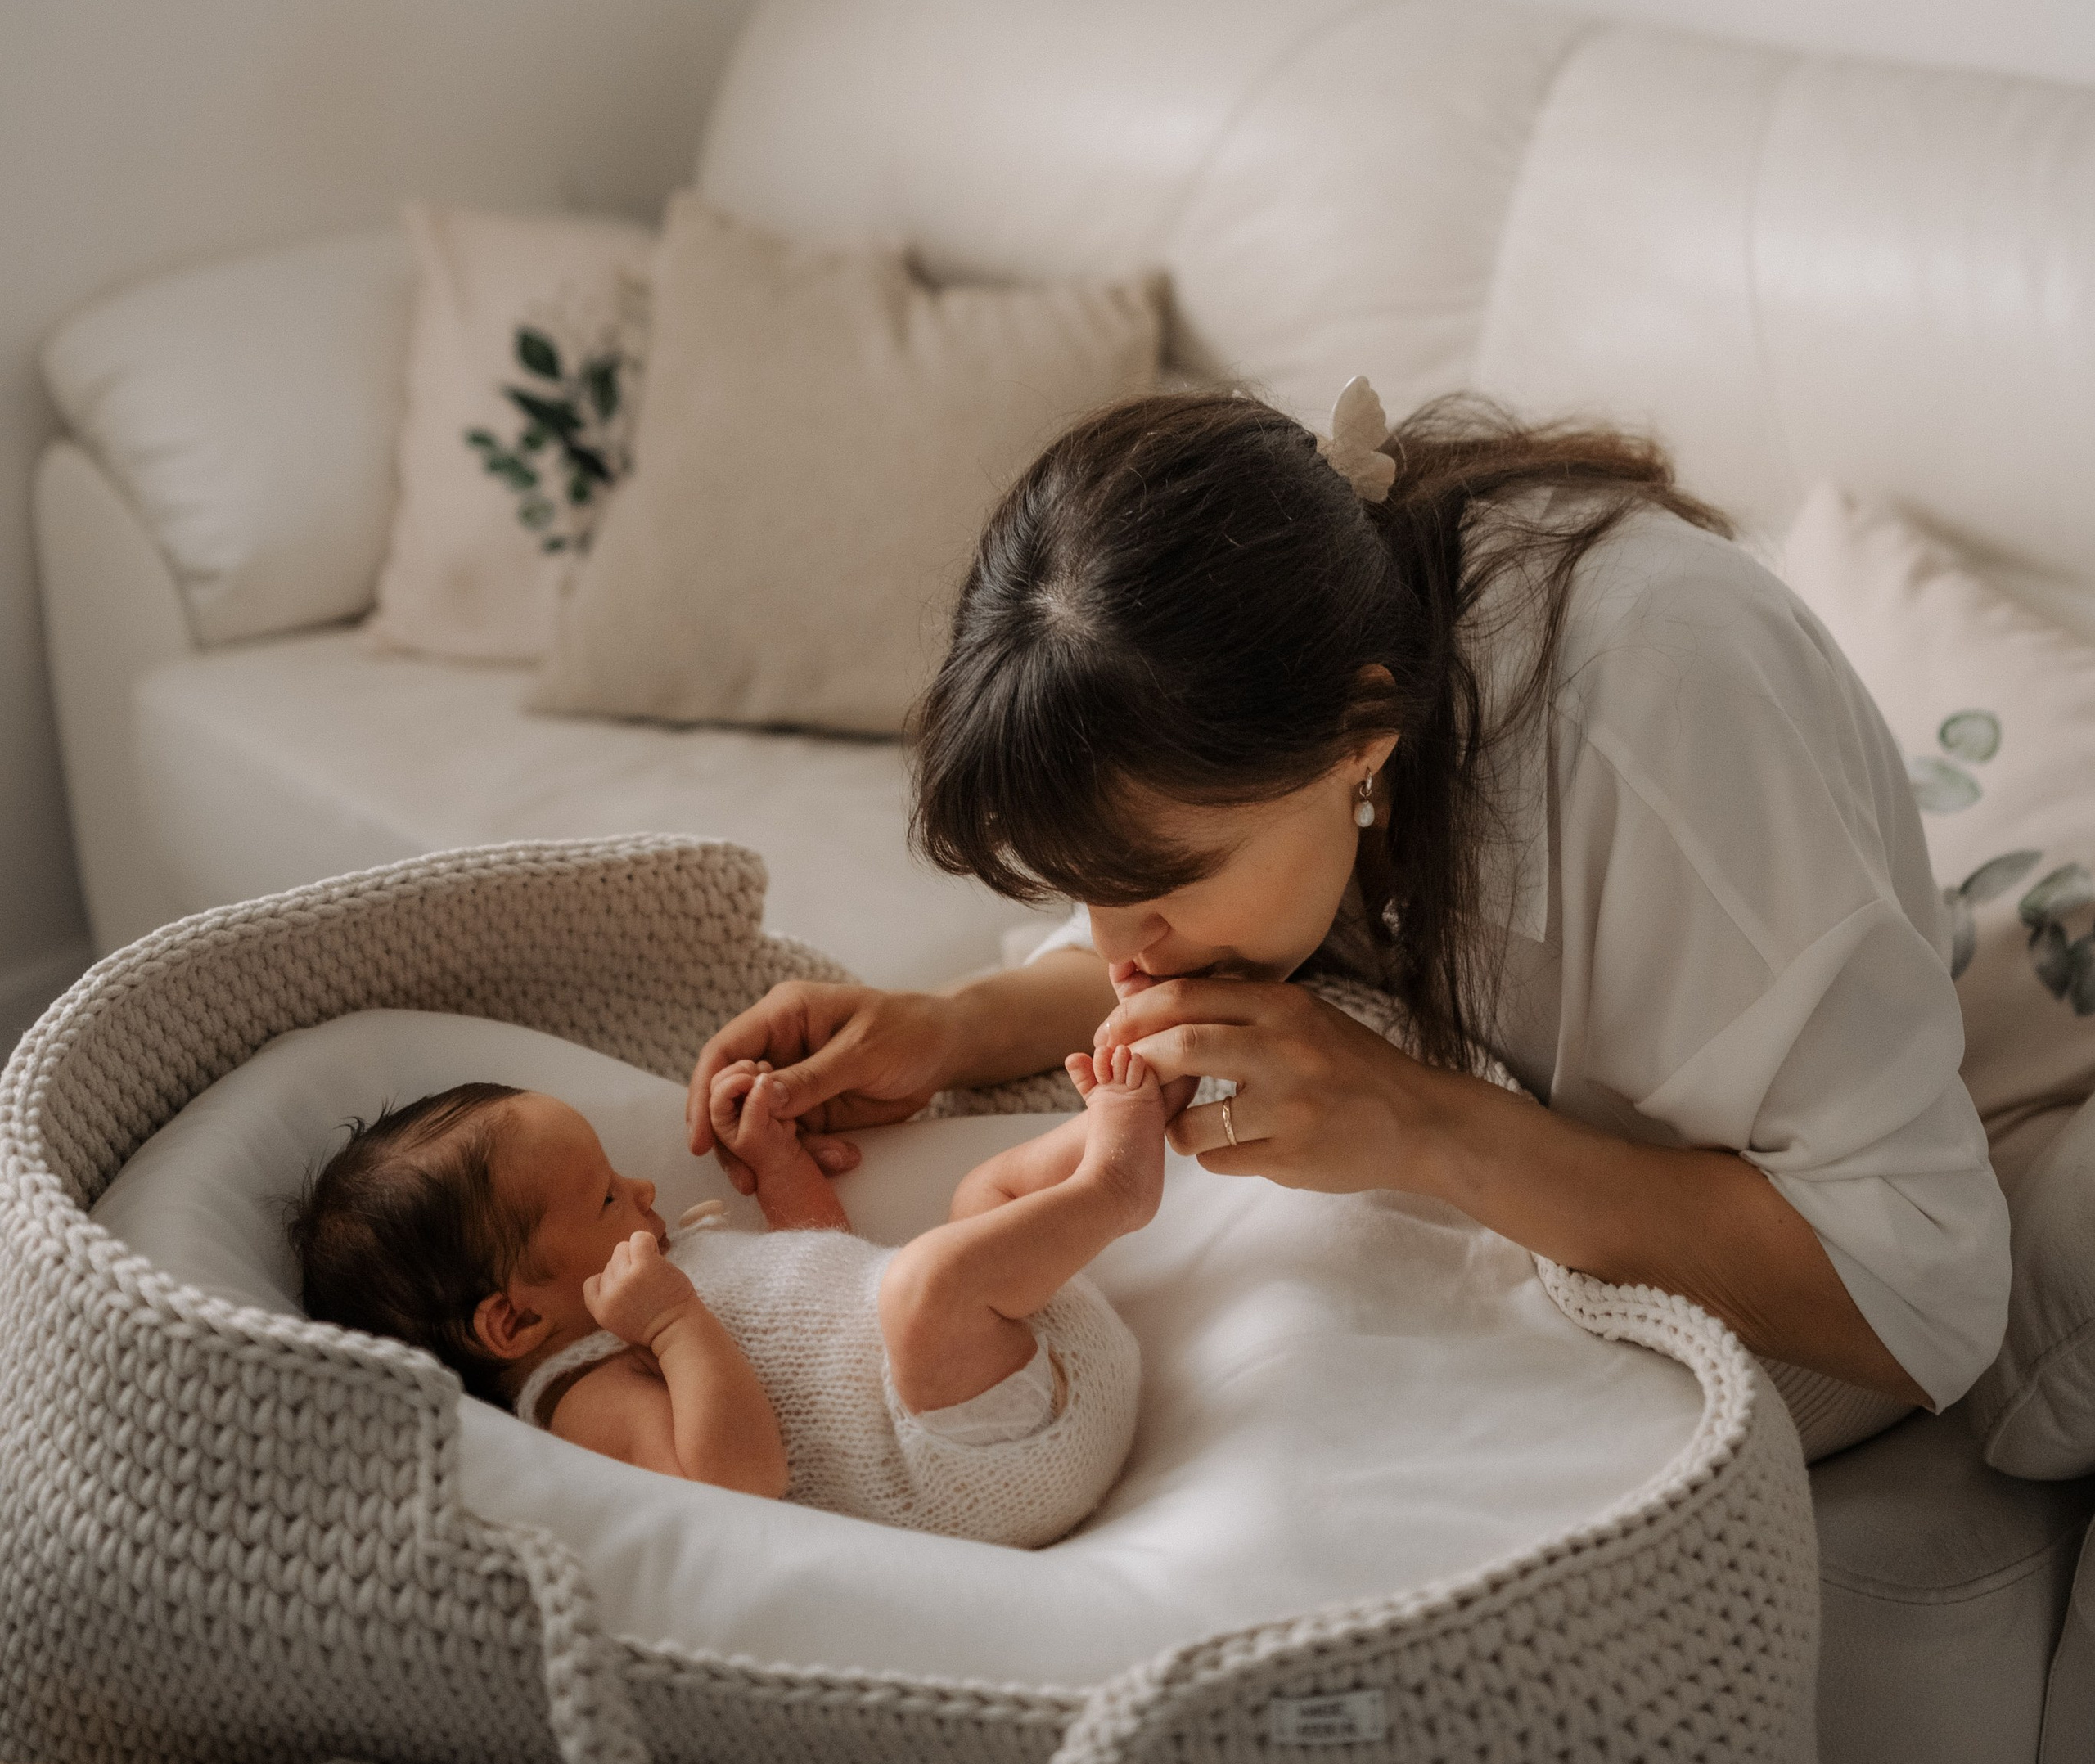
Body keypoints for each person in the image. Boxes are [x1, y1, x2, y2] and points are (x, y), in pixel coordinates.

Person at [687, 387, 2012, 1462]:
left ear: (1363, 743)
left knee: (1255, 1361)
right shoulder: (1301, 650)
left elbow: (1926, 1301)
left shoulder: (1662, 719)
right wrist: (958, 1028)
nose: (1114, 954)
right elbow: (1304, 905)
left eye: (1159, 886)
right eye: (1088, 891)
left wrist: (1419, 1125)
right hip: (1527, 1134)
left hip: (1790, 1290)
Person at [291, 1043, 1153, 1543]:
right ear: (515, 1318)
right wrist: (670, 1323)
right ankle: (1117, 1186)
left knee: (970, 1210)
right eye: (602, 1198)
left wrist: (780, 1168)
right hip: (984, 1460)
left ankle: (1119, 1114)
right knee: (929, 1284)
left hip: (1017, 1357)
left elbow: (825, 1270)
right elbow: (737, 1482)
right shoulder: (579, 1389)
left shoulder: (653, 1270)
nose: (642, 1189)